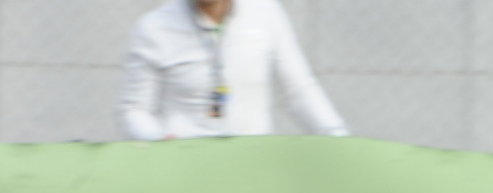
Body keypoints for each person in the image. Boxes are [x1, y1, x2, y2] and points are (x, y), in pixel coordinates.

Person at [117, 0, 348, 142]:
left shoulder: (266, 12)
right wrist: (158, 139)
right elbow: (135, 110)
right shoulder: (153, 28)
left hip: (250, 167)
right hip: (185, 170)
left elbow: (298, 90)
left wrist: (338, 137)